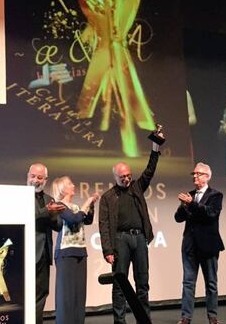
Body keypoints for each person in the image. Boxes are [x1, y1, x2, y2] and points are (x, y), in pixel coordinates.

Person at [99, 130, 164, 324]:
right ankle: (120, 321)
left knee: (142, 283)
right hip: (120, 241)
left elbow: (150, 171)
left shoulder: (136, 188)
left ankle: (144, 319)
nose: (127, 179)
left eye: (128, 175)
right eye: (123, 177)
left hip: (139, 239)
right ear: (115, 177)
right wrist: (107, 250)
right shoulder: (108, 197)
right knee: (120, 284)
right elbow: (103, 225)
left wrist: (155, 147)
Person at [175, 162, 224, 324]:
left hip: (208, 246)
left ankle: (212, 317)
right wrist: (183, 207)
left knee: (211, 283)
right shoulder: (189, 195)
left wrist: (191, 204)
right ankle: (186, 318)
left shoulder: (216, 195)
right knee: (188, 283)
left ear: (207, 177)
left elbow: (210, 214)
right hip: (190, 246)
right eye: (193, 174)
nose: (195, 176)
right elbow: (178, 218)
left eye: (198, 173)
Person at [51, 176, 99, 324]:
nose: (73, 186)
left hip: (80, 252)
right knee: (66, 295)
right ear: (63, 188)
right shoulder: (59, 205)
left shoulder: (77, 207)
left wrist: (91, 206)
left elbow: (87, 220)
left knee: (79, 294)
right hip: (65, 253)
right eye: (70, 184)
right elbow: (74, 219)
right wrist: (88, 201)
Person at [27, 163, 65, 324]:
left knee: (41, 292)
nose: (35, 180)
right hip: (25, 251)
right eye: (33, 176)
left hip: (43, 253)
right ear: (27, 176)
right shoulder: (19, 196)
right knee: (24, 293)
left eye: (40, 177)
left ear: (45, 180)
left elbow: (57, 226)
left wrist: (57, 214)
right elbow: (27, 217)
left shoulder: (49, 199)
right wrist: (46, 211)